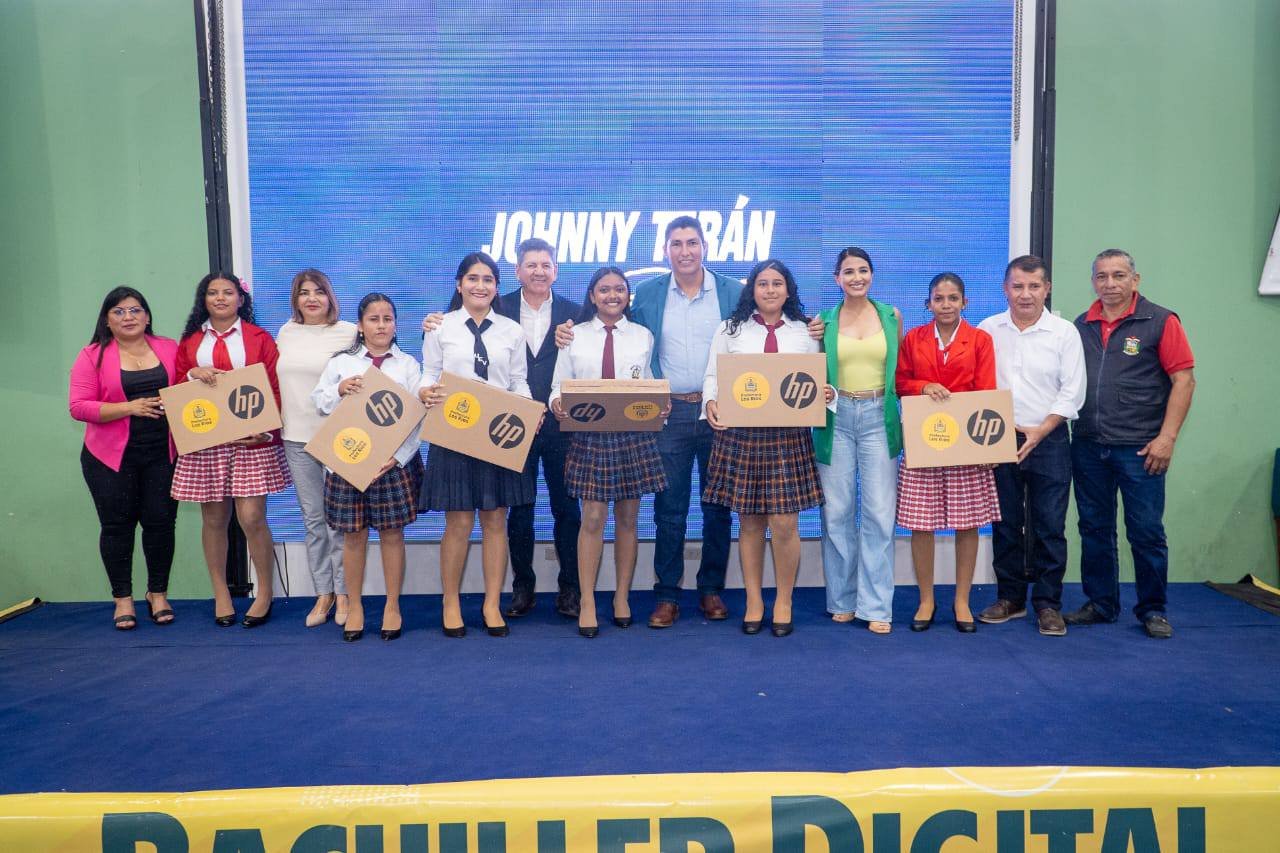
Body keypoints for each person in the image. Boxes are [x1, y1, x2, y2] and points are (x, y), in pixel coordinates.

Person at [556, 216, 822, 627]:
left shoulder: (734, 292)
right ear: (666, 250)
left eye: (692, 242)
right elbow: (617, 328)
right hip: (670, 412)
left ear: (704, 247)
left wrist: (813, 328)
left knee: (719, 507)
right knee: (669, 508)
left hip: (729, 414)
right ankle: (667, 594)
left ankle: (711, 589)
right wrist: (568, 331)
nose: (685, 251)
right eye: (677, 243)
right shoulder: (647, 293)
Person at [1064, 249, 1195, 639]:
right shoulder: (1081, 325)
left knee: (1146, 532)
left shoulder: (1161, 321)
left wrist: (1167, 438)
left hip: (1141, 449)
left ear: (1135, 280)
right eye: (1102, 276)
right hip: (1088, 444)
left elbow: (1184, 381)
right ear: (1093, 282)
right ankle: (1101, 603)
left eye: (1118, 275)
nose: (1110, 284)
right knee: (1094, 529)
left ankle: (1153, 609)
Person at [703, 260, 832, 637]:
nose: (770, 289)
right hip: (742, 434)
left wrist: (825, 393)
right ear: (752, 289)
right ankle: (754, 601)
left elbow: (819, 380)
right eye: (763, 283)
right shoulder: (730, 329)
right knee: (750, 522)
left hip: (788, 435)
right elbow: (713, 375)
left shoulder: (807, 330)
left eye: (777, 283)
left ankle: (784, 600)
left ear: (788, 289)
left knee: (785, 522)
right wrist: (711, 401)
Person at [418, 252, 536, 638]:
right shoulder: (440, 326)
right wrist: (424, 390)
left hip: (497, 434)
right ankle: (450, 602)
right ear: (459, 284)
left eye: (488, 279)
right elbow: (429, 372)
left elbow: (518, 381)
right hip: (453, 432)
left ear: (497, 287)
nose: (480, 285)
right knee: (459, 522)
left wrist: (528, 412)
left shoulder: (511, 330)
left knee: (495, 520)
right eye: (472, 278)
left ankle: (491, 603)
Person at [549, 267, 668, 637]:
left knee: (629, 519)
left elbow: (649, 383)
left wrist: (660, 405)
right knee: (593, 518)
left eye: (619, 289)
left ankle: (621, 597)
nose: (612, 295)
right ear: (592, 296)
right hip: (590, 437)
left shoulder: (643, 335)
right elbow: (557, 387)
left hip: (633, 436)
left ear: (627, 296)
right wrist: (556, 404)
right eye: (604, 289)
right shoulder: (574, 335)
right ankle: (587, 601)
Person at [172, 272, 290, 627]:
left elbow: (275, 387)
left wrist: (265, 431)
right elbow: (175, 387)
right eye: (213, 292)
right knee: (213, 519)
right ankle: (221, 592)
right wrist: (192, 374)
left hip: (252, 440)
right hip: (206, 441)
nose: (220, 298)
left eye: (228, 292)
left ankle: (265, 592)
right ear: (203, 299)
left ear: (241, 298)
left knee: (251, 517)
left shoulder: (259, 338)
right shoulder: (191, 342)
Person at [976, 255, 1086, 636]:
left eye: (1034, 286)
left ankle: (1047, 603)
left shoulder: (1064, 333)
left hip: (1049, 438)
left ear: (1047, 288)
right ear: (1005, 289)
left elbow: (1073, 391)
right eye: (1018, 286)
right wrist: (993, 433)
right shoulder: (987, 330)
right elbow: (978, 384)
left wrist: (1040, 431)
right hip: (998, 436)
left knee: (1049, 526)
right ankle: (1010, 598)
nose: (1026, 294)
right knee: (1005, 523)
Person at [313, 293, 423, 642]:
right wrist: (340, 389)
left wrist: (398, 456)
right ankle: (356, 606)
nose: (381, 325)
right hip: (348, 463)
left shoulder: (407, 365)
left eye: (387, 319)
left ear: (395, 325)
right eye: (373, 319)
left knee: (392, 534)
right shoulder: (341, 363)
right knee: (354, 536)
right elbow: (320, 402)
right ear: (360, 326)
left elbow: (418, 417)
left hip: (392, 466)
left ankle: (392, 606)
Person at [895, 272, 1001, 633]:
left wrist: (987, 444)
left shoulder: (980, 340)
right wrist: (924, 386)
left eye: (953, 298)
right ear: (928, 304)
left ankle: (961, 600)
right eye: (938, 299)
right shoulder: (913, 338)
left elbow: (986, 391)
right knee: (921, 524)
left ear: (964, 302)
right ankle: (926, 599)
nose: (945, 305)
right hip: (924, 441)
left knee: (967, 523)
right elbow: (900, 383)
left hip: (966, 443)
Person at [69, 287, 180, 630]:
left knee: (161, 524)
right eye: (118, 311)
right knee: (117, 526)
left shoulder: (169, 347)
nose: (128, 317)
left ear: (147, 316)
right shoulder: (92, 355)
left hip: (163, 453)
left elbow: (188, 388)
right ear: (107, 320)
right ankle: (123, 600)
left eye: (135, 310)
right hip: (109, 458)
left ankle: (158, 594)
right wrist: (129, 408)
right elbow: (79, 407)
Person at [813, 248, 903, 635]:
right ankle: (842, 600)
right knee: (836, 512)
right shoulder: (822, 322)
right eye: (848, 272)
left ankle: (877, 605)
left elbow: (901, 369)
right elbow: (810, 372)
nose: (856, 277)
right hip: (836, 418)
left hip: (879, 415)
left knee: (880, 512)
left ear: (872, 275)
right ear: (837, 278)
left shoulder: (891, 316)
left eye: (863, 270)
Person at [275, 269, 357, 628]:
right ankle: (324, 593)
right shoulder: (286, 332)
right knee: (314, 520)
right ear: (295, 299)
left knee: (339, 521)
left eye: (319, 291)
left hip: (338, 439)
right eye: (303, 292)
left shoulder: (349, 332)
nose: (311, 298)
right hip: (296, 438)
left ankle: (345, 593)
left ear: (330, 297)